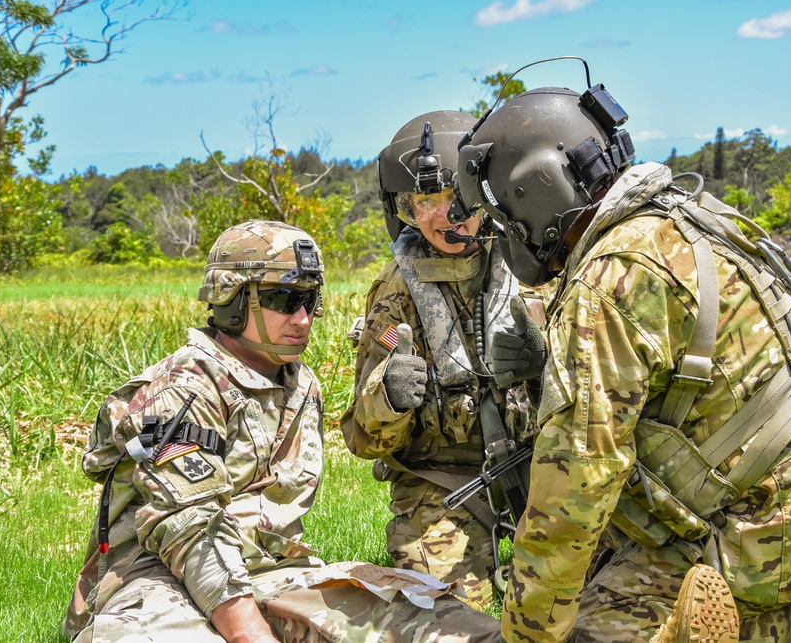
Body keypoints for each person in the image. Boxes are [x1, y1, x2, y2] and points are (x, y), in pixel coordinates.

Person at [448, 82, 791, 642]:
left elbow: (577, 482)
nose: (504, 236)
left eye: (505, 217)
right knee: (604, 564)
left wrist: (526, 632)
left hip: (754, 532)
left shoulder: (612, 275)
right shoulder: (682, 218)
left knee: (577, 631)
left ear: (538, 191)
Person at [62, 220, 504, 643]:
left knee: (449, 627)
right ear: (232, 300)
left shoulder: (299, 383)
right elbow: (189, 530)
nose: (302, 318)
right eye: (282, 300)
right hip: (159, 579)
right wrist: (252, 633)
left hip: (269, 571)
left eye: (309, 301)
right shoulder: (183, 386)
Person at [340, 110, 544, 610]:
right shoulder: (393, 297)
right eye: (424, 201)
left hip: (542, 467)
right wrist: (387, 396)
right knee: (438, 615)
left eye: (454, 196)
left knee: (596, 587)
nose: (442, 215)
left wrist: (546, 363)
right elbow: (364, 438)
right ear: (404, 208)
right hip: (445, 485)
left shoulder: (537, 269)